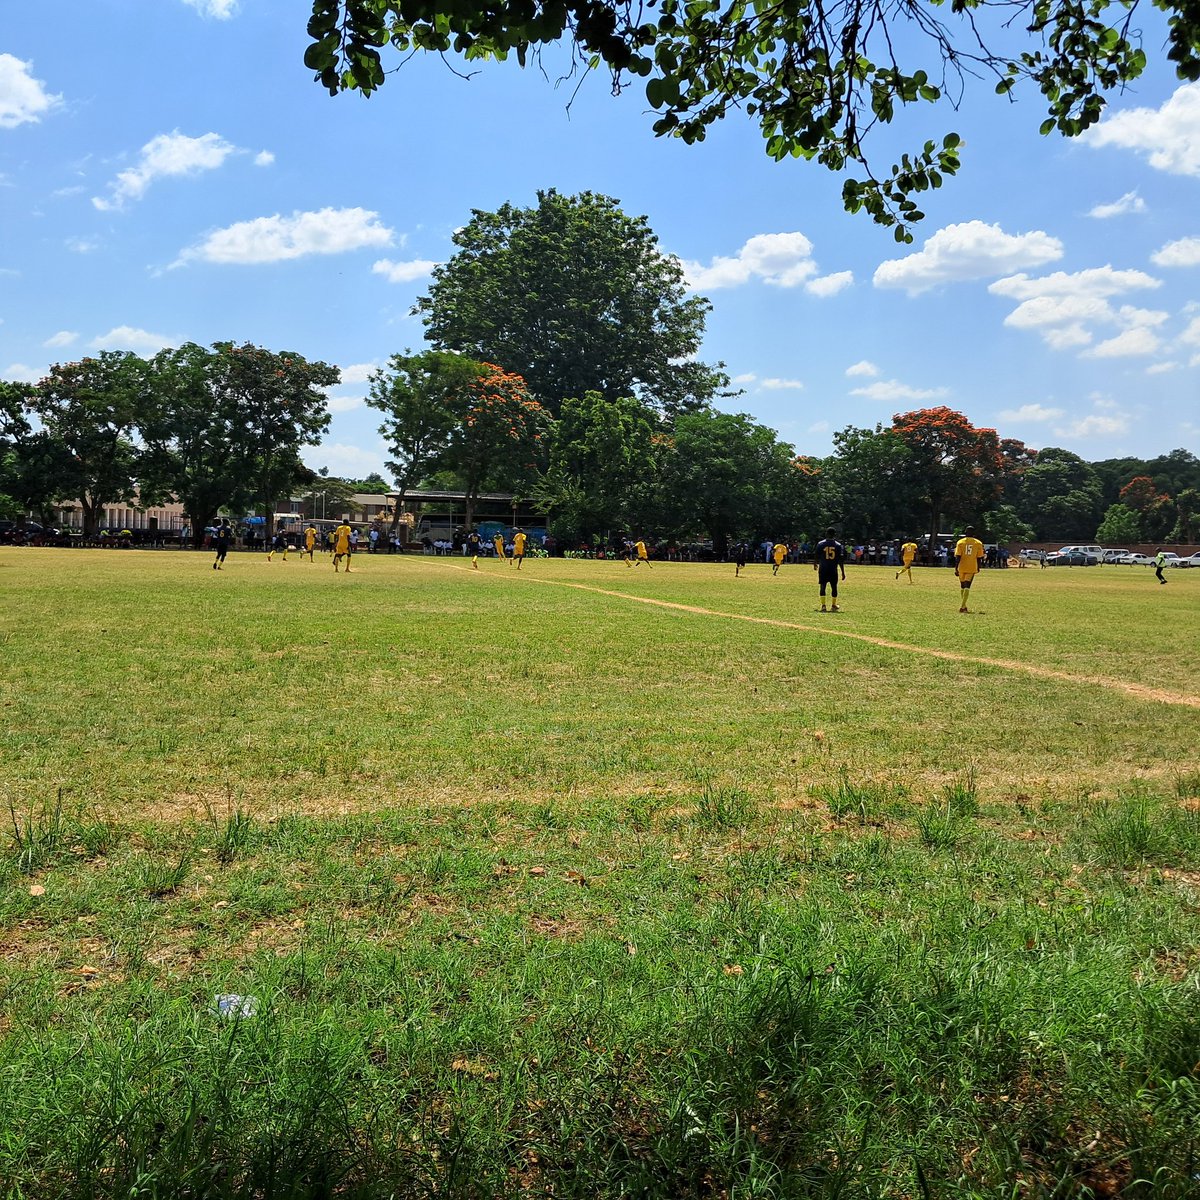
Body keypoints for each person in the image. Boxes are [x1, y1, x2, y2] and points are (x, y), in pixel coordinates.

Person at [954, 525, 986, 612]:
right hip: (972, 566)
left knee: (962, 586)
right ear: (974, 533)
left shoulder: (960, 542)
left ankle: (964, 606)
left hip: (961, 567)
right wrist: (978, 567)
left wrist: (956, 568)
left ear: (965, 532)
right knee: (967, 586)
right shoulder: (978, 543)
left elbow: (958, 556)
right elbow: (979, 557)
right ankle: (963, 606)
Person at [813, 527, 846, 612]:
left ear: (826, 534)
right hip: (833, 568)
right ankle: (833, 605)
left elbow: (816, 554)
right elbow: (840, 560)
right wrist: (842, 571)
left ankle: (823, 606)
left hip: (823, 568)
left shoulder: (820, 543)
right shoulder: (838, 545)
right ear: (834, 535)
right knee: (834, 587)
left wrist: (815, 563)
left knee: (822, 586)